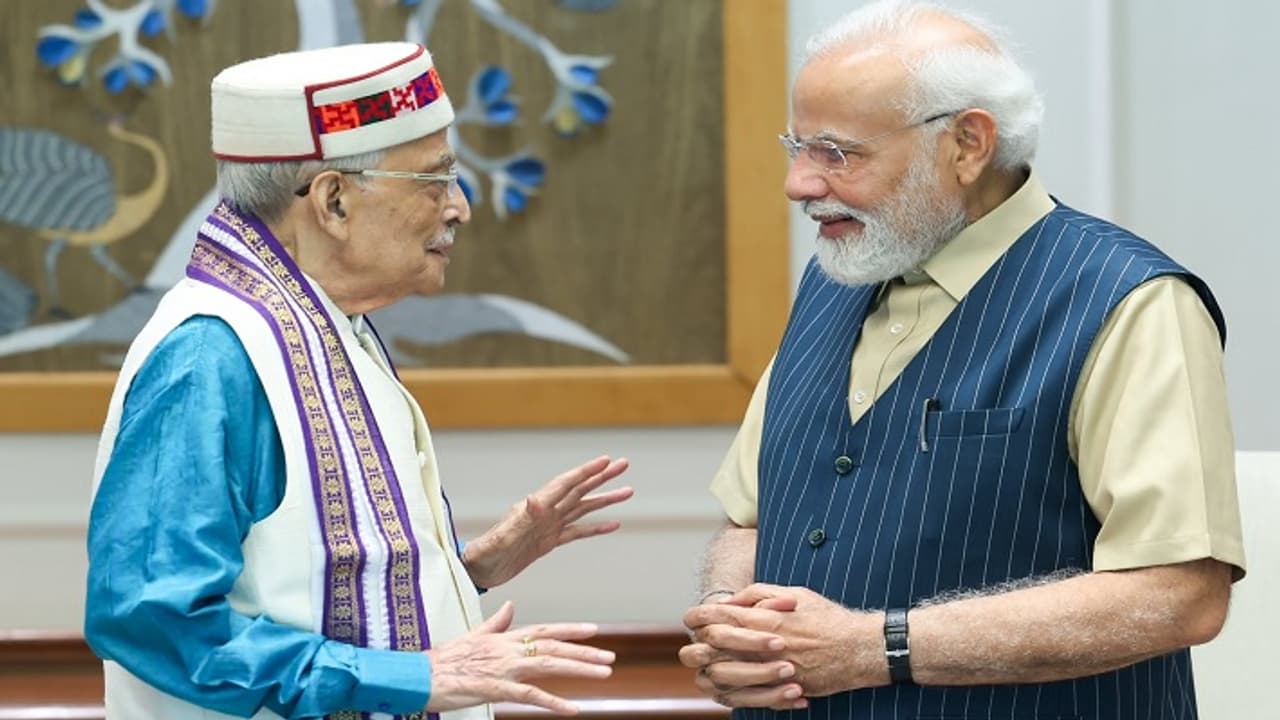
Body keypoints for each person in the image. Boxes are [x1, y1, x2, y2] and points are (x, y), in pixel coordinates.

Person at [678, 2, 1245, 719]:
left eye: (837, 152)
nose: (799, 182)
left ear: (968, 144)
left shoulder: (1129, 302)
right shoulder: (833, 278)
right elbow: (755, 519)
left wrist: (872, 647)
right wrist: (729, 615)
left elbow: (1180, 594)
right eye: (797, 146)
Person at [85, 42, 634, 720]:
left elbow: (302, 586)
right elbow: (152, 621)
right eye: (436, 180)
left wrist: (472, 566)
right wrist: (410, 678)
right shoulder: (209, 356)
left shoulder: (327, 324)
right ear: (334, 201)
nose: (459, 207)